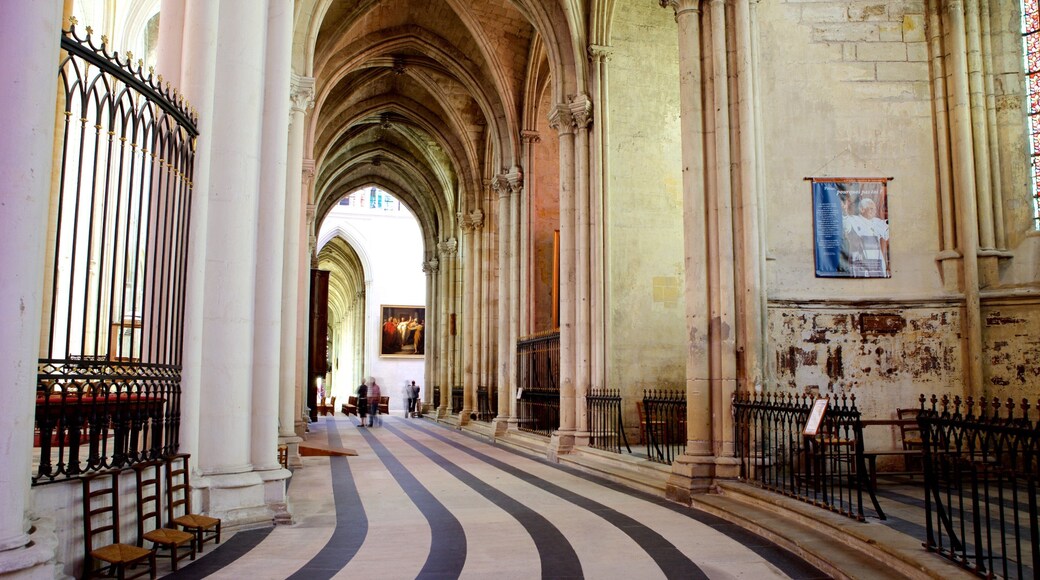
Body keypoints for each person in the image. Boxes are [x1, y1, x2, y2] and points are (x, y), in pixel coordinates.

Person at [843, 197, 890, 277]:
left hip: (876, 263)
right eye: (871, 209)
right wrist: (844, 210)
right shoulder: (852, 220)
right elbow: (844, 226)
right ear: (862, 209)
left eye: (875, 209)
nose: (874, 211)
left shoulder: (877, 222)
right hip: (859, 263)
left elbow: (888, 233)